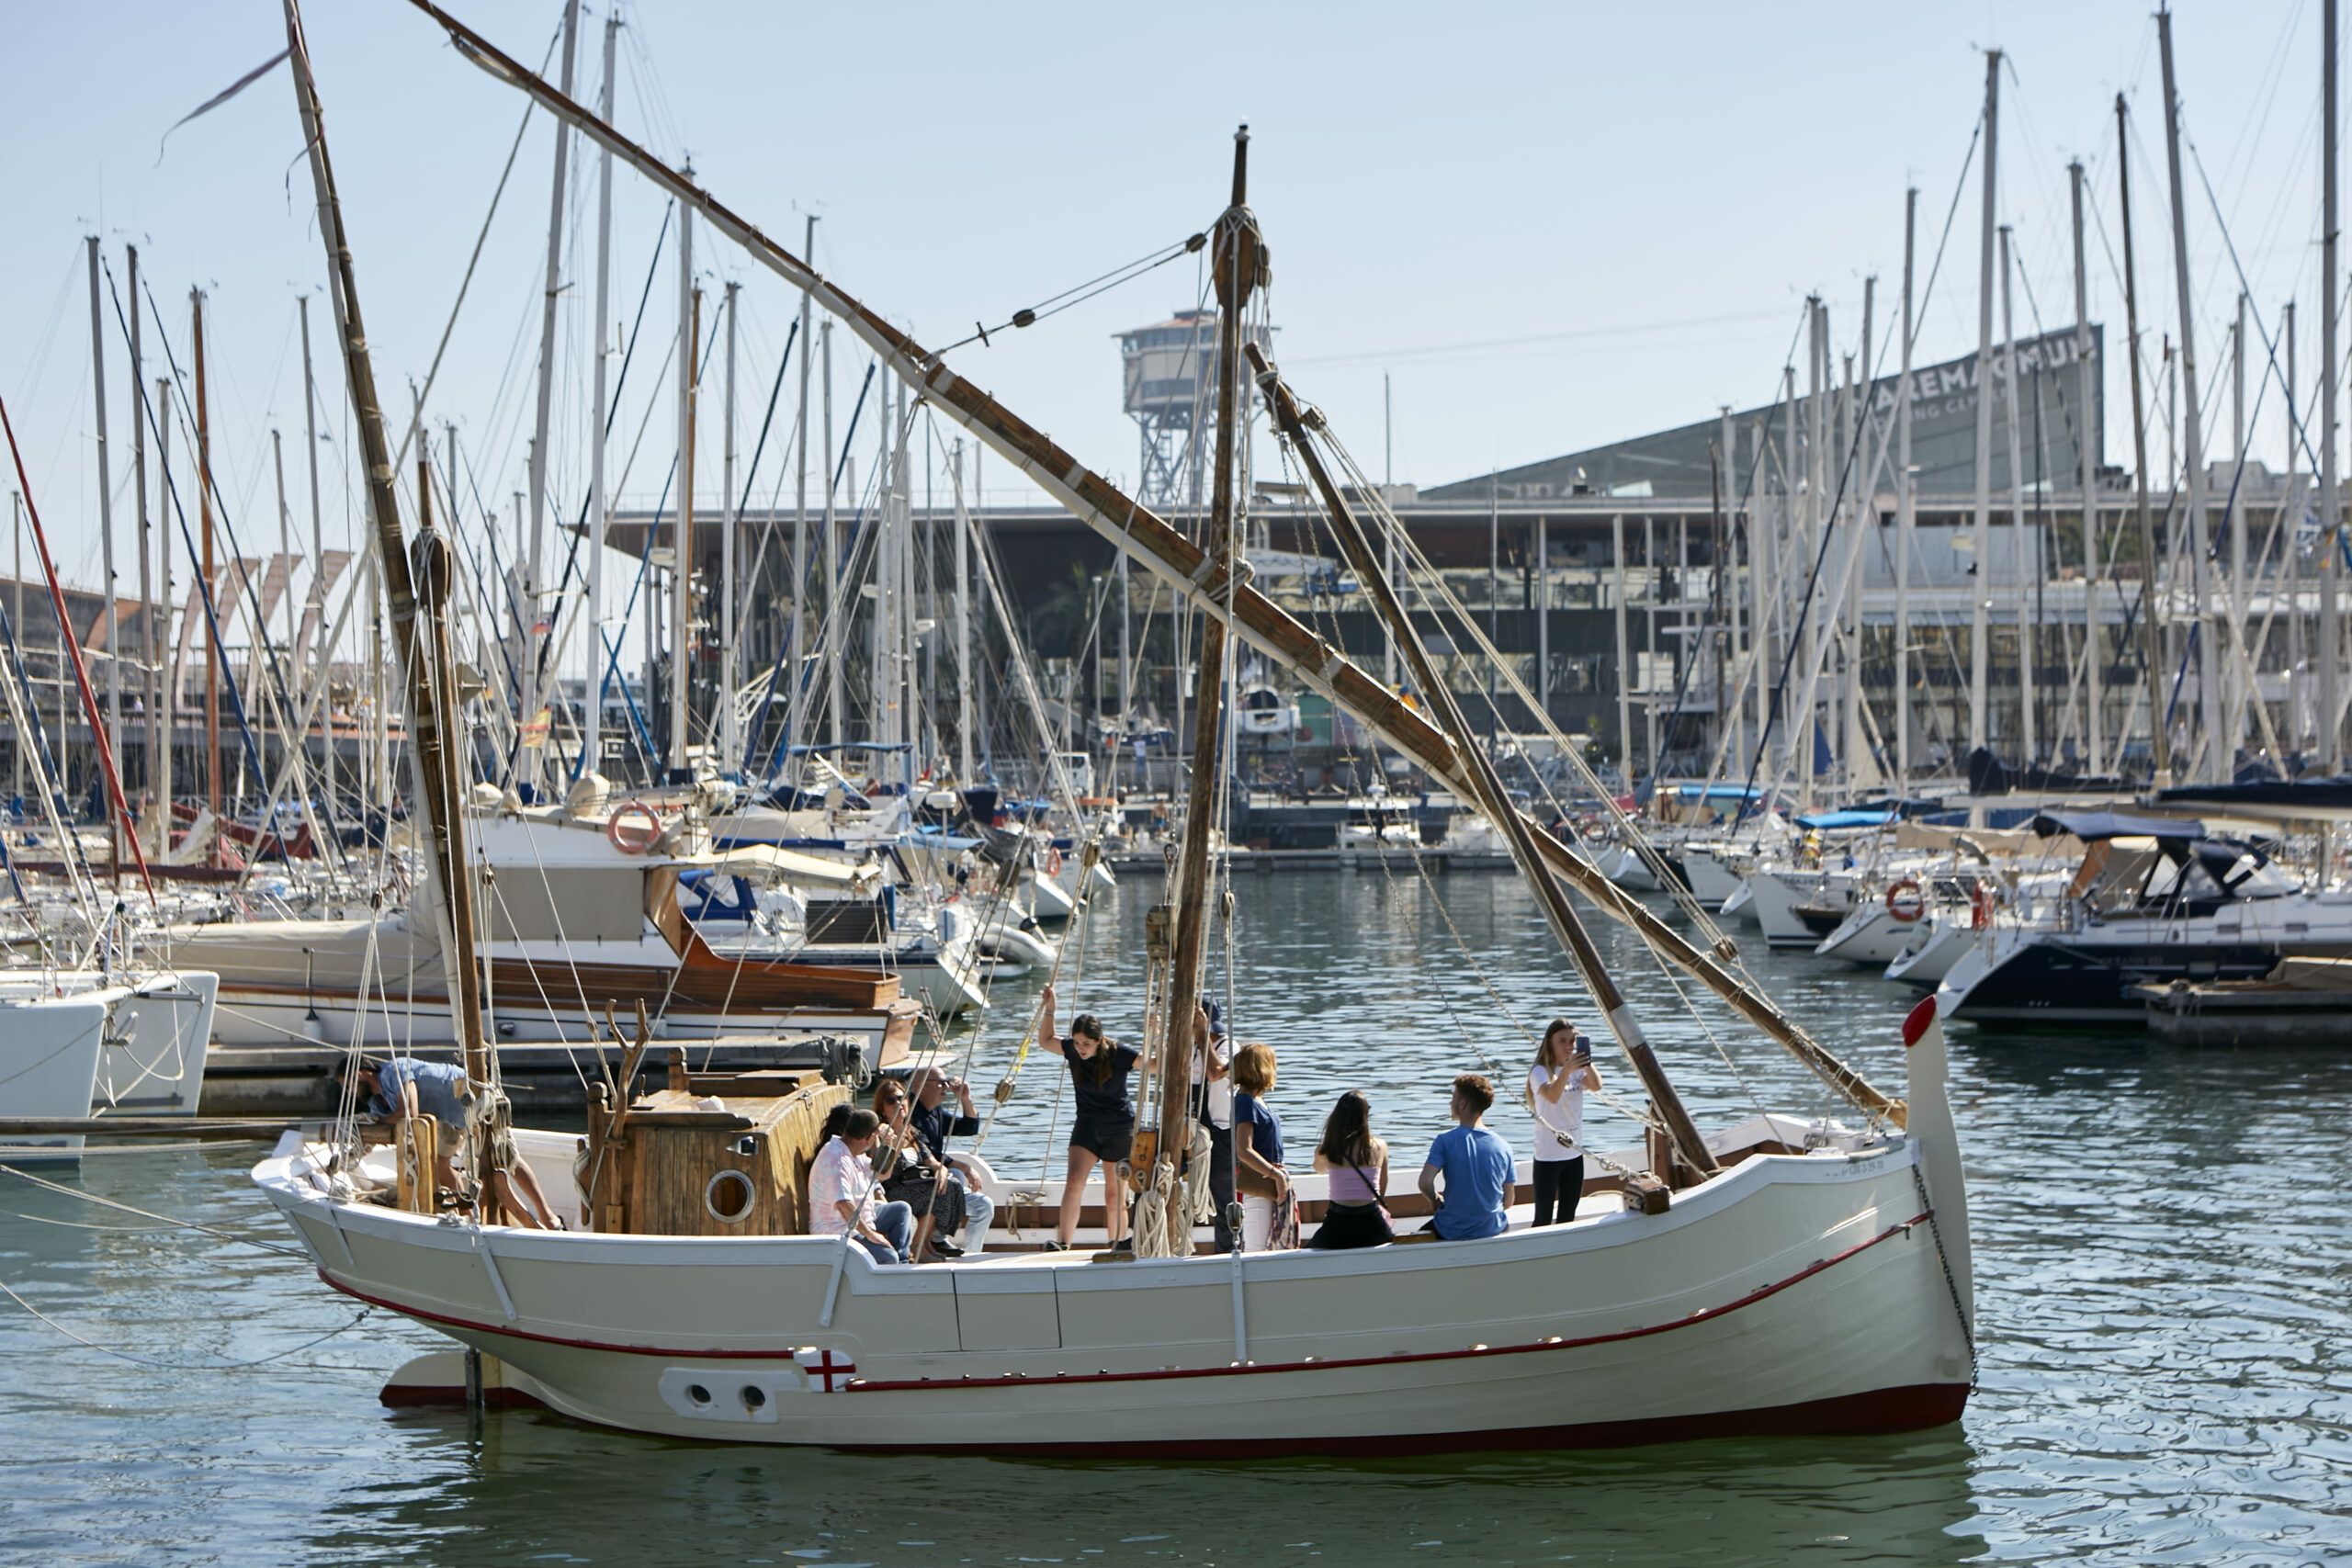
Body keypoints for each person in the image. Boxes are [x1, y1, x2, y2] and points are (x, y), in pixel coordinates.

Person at [342, 1056, 557, 1229]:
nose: (349, 1092)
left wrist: (378, 1122)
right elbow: (373, 1135)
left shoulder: (394, 1071)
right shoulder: (376, 1102)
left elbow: (410, 1112)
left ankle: (547, 1216)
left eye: (348, 1084)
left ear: (361, 1074)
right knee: (440, 1166)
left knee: (508, 1159)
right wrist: (347, 1157)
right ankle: (469, 1219)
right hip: (449, 1118)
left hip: (474, 1097)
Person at [1037, 982, 1147, 1251]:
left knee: (1115, 1190)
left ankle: (1117, 1241)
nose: (1081, 1048)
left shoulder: (1119, 1054)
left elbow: (1152, 1065)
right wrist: (1050, 1010)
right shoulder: (1073, 1052)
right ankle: (1063, 1242)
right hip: (1087, 1124)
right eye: (1076, 1043)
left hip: (1119, 1126)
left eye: (1086, 1044)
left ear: (1099, 1041)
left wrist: (1154, 1034)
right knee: (1074, 1181)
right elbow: (1045, 1041)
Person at [907, 1066, 994, 1255]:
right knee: (983, 1206)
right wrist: (964, 1166)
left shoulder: (934, 1111)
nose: (945, 1086)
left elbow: (968, 1128)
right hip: (917, 1178)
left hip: (936, 1174)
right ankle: (967, 1253)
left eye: (947, 1082)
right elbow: (925, 1151)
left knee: (956, 1175)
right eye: (940, 1082)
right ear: (920, 1086)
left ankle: (940, 1238)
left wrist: (965, 1098)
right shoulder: (911, 1112)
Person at [810, 1108, 914, 1265]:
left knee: (901, 1210)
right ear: (870, 1137)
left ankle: (903, 1262)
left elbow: (882, 1173)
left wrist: (887, 1144)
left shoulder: (854, 1154)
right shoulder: (836, 1159)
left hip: (861, 1220)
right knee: (888, 1257)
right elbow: (843, 1205)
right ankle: (894, 1270)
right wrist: (870, 1234)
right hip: (838, 1231)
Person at [1418, 1073, 1514, 1242]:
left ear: (1462, 1104)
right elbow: (1508, 1200)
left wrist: (1435, 1199)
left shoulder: (1445, 1141)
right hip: (1491, 1228)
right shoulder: (1503, 1146)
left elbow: (1425, 1183)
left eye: (1453, 1097)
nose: (1450, 1102)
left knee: (1416, 1238)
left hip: (1451, 1230)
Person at [1528, 1020, 1602, 1227]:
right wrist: (1567, 1071)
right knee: (1543, 1217)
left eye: (1572, 1040)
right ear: (1550, 1044)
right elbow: (1551, 1096)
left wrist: (1587, 1061)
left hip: (1573, 1153)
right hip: (1548, 1155)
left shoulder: (1577, 1070)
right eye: (1562, 1041)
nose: (1568, 1046)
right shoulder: (1540, 1071)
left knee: (1567, 1215)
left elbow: (1596, 1086)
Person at [1230, 1043, 1295, 1251]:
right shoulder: (1245, 1101)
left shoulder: (1256, 1100)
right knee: (1257, 1249)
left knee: (1274, 1245)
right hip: (1260, 1185)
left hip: (1269, 1182)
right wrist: (1275, 1175)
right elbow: (1244, 1149)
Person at [1309, 1090, 1393, 1250]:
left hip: (1338, 1222)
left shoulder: (1327, 1150)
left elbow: (1318, 1169)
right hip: (1371, 1221)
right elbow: (1382, 1186)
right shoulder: (1380, 1146)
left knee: (1309, 1250)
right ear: (1365, 1116)